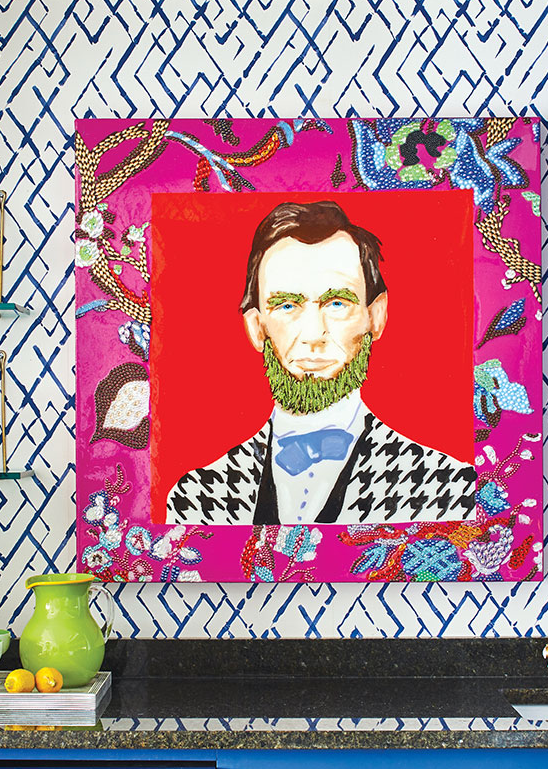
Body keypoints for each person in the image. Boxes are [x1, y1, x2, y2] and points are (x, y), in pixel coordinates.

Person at [164, 200, 475, 526]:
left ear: (376, 316)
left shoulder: (447, 488)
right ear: (256, 328)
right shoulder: (196, 499)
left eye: (337, 302)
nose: (314, 334)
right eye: (286, 305)